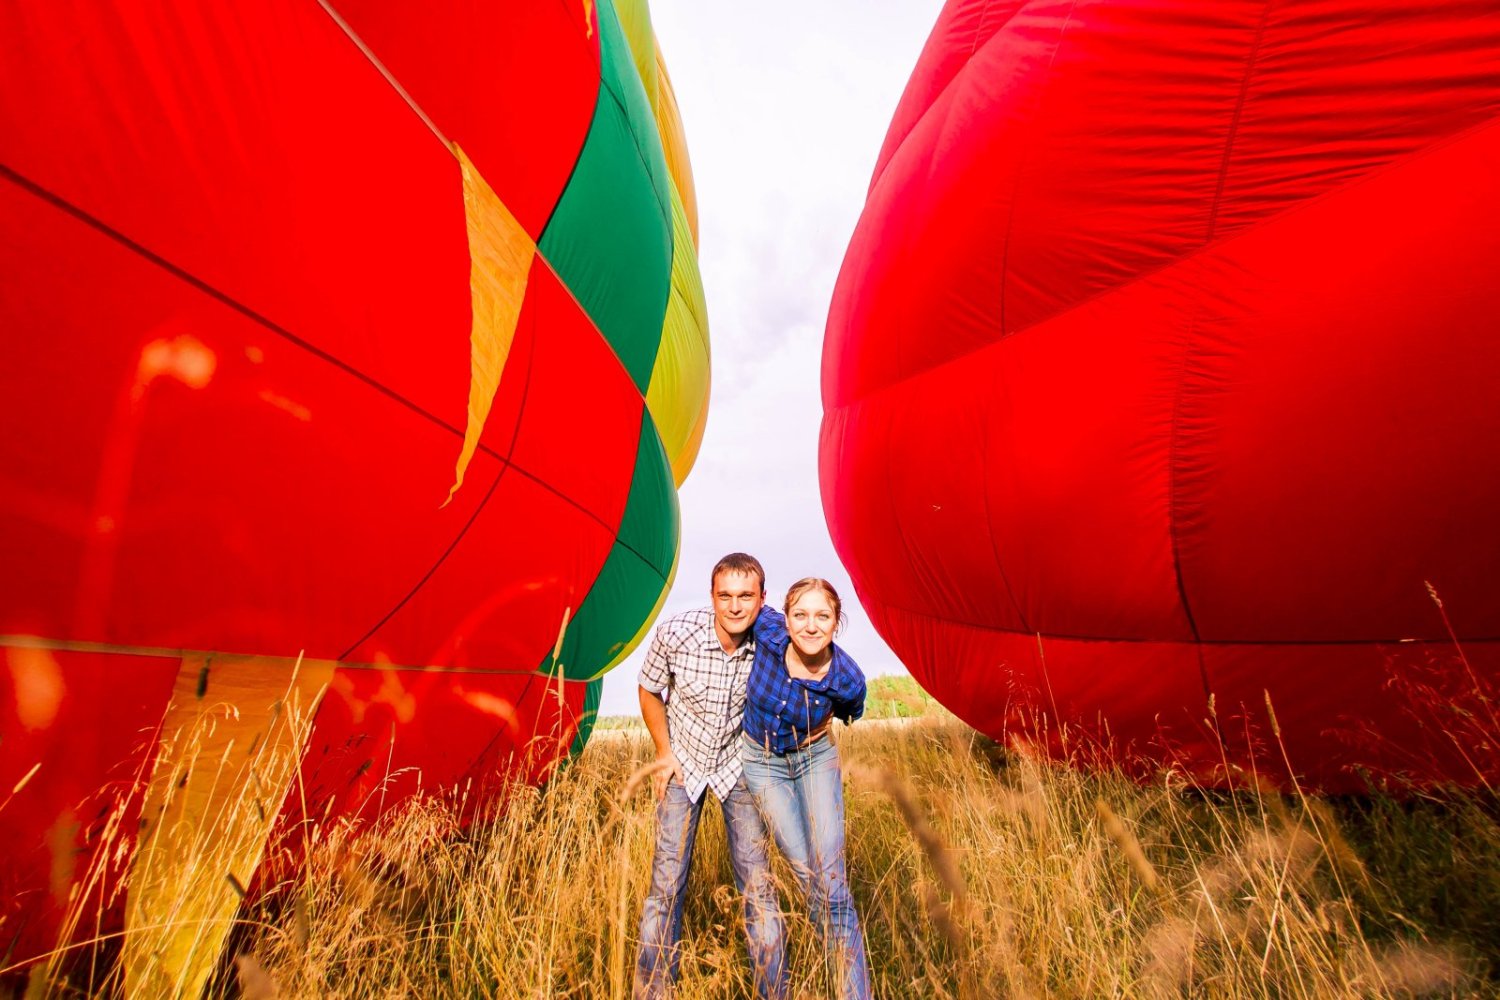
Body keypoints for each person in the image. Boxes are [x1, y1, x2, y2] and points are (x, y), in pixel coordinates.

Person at [634, 553, 788, 1000]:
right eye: (726, 596)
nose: (735, 606)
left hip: (738, 767)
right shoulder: (677, 633)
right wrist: (663, 753)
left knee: (758, 884)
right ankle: (655, 990)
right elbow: (648, 687)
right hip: (683, 763)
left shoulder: (773, 642)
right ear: (712, 596)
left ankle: (771, 991)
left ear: (763, 599)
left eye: (746, 596)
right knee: (666, 882)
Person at [740, 577, 870, 1000]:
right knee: (805, 871)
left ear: (837, 623)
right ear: (786, 617)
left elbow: (853, 708)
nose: (810, 626)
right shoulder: (769, 631)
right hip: (762, 764)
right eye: (801, 614)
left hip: (815, 759)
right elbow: (740, 606)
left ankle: (853, 991)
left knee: (832, 883)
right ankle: (828, 953)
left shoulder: (847, 678)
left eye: (822, 616)